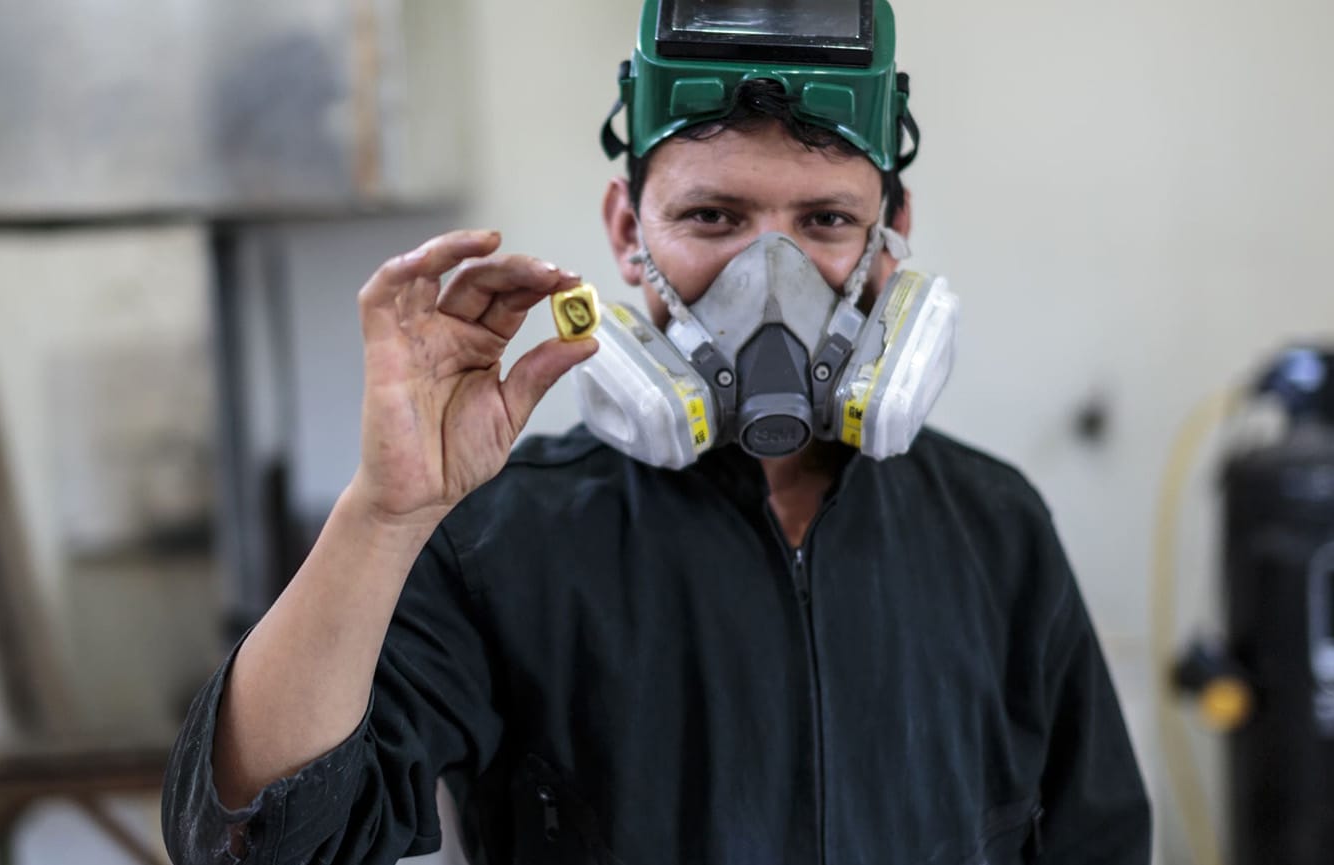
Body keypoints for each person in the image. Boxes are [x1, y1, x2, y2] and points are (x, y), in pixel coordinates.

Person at [162, 0, 1151, 862]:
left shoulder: (997, 530)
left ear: (891, 235)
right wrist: (386, 512)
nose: (774, 280)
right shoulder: (501, 542)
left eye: (825, 222)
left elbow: (1095, 841)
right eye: (714, 217)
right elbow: (261, 842)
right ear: (628, 233)